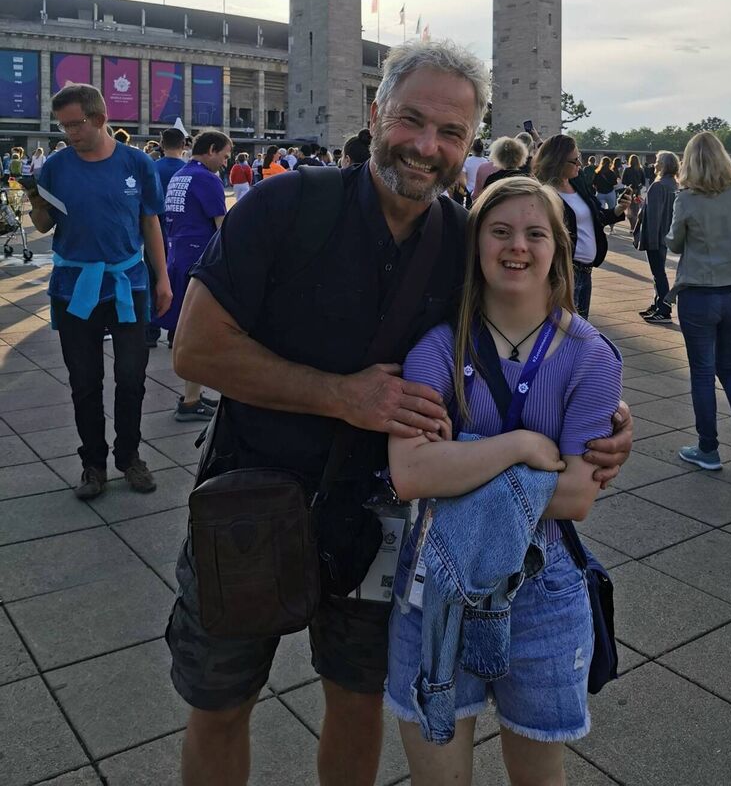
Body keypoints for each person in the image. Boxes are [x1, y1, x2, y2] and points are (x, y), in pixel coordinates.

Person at [165, 41, 633, 786]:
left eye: (450, 133)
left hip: (379, 519)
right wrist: (340, 394)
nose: (426, 146)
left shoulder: (460, 240)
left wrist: (602, 412)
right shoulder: (283, 206)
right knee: (221, 704)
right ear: (376, 112)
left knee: (357, 704)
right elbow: (195, 350)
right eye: (412, 120)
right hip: (254, 501)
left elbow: (523, 332)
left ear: (470, 142)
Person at [385, 176, 622, 784]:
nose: (517, 245)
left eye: (535, 233)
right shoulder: (437, 347)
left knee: (539, 775)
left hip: (543, 586)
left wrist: (458, 461)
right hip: (438, 579)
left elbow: (575, 497)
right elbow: (409, 473)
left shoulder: (591, 356)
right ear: (476, 246)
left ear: (558, 250)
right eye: (499, 231)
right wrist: (522, 447)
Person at [22, 84, 172, 499]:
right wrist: (35, 199)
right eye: (63, 126)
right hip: (75, 287)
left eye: (75, 124)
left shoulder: (137, 163)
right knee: (85, 381)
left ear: (100, 118)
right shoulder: (56, 166)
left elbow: (150, 222)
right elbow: (44, 225)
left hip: (128, 283)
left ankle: (130, 457)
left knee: (132, 377)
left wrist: (162, 278)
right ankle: (93, 464)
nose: (69, 133)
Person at [666, 131, 731, 473]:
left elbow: (675, 243)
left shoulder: (686, 198)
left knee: (703, 373)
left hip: (700, 290)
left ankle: (708, 448)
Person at [163, 130, 232, 421]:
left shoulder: (180, 174)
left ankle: (192, 394)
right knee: (198, 331)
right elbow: (223, 227)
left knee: (187, 328)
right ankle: (191, 401)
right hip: (200, 259)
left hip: (177, 255)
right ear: (212, 149)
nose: (225, 163)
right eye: (225, 156)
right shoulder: (207, 179)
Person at [533, 134, 629, 319]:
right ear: (558, 161)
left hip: (586, 271)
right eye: (575, 160)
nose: (579, 163)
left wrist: (618, 209)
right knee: (564, 328)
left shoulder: (577, 183)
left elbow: (596, 216)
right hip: (564, 273)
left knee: (580, 326)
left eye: (579, 158)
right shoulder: (543, 192)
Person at [144, 128, 188, 349]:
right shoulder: (188, 171)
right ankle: (174, 332)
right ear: (184, 145)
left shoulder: (152, 168)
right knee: (177, 283)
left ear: (161, 144)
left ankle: (150, 331)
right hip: (180, 236)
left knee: (152, 280)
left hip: (154, 232)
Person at [636, 151, 679, 323]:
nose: (655, 164)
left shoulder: (658, 186)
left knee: (658, 273)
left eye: (657, 161)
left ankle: (664, 309)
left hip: (655, 236)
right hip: (666, 234)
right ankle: (658, 304)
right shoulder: (673, 185)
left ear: (663, 165)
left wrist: (650, 240)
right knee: (658, 272)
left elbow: (653, 216)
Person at [621, 154, 646, 232]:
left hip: (628, 191)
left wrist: (629, 184)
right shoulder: (640, 170)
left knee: (629, 210)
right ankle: (634, 228)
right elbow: (643, 182)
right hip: (637, 192)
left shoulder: (627, 170)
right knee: (635, 210)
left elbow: (623, 181)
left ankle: (632, 227)